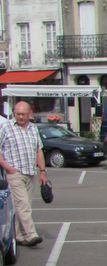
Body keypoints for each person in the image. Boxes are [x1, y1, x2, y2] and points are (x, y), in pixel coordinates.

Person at [0, 101, 49, 248]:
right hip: (14, 173)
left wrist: (42, 171)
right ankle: (31, 234)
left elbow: (38, 151)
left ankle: (19, 236)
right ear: (14, 113)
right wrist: (8, 168)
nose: (20, 117)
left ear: (29, 114)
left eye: (23, 114)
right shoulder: (6, 127)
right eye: (18, 114)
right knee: (23, 205)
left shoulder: (33, 129)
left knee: (21, 206)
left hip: (30, 172)